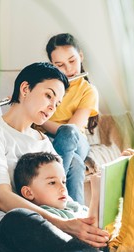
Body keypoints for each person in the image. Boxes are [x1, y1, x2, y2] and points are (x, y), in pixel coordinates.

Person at [0, 62, 110, 252]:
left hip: (51, 227)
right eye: (48, 95)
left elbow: (64, 201)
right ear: (25, 89)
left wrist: (81, 223)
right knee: (17, 218)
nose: (53, 107)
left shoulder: (44, 143)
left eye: (58, 103)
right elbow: (0, 197)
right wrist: (62, 225)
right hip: (2, 232)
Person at [39, 33, 99, 205]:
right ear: (52, 65)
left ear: (80, 56)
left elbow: (72, 128)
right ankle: (75, 218)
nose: (68, 69)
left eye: (72, 61)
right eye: (60, 65)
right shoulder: (45, 83)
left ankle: (49, 192)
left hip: (76, 141)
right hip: (48, 140)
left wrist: (41, 121)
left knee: (68, 132)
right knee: (76, 164)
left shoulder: (88, 90)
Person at [14, 152, 101, 228]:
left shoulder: (71, 206)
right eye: (52, 182)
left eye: (63, 182)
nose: (63, 188)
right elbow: (92, 233)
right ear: (28, 193)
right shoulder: (45, 217)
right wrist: (97, 194)